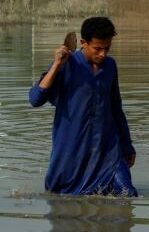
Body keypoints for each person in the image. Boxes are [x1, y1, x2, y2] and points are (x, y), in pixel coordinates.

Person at [29, 16, 137, 196]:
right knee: (69, 203)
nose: (103, 54)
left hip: (108, 150)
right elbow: (35, 99)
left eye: (107, 48)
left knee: (128, 195)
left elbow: (116, 108)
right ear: (83, 43)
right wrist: (56, 64)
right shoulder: (67, 64)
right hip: (73, 151)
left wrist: (127, 145)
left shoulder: (110, 66)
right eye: (97, 48)